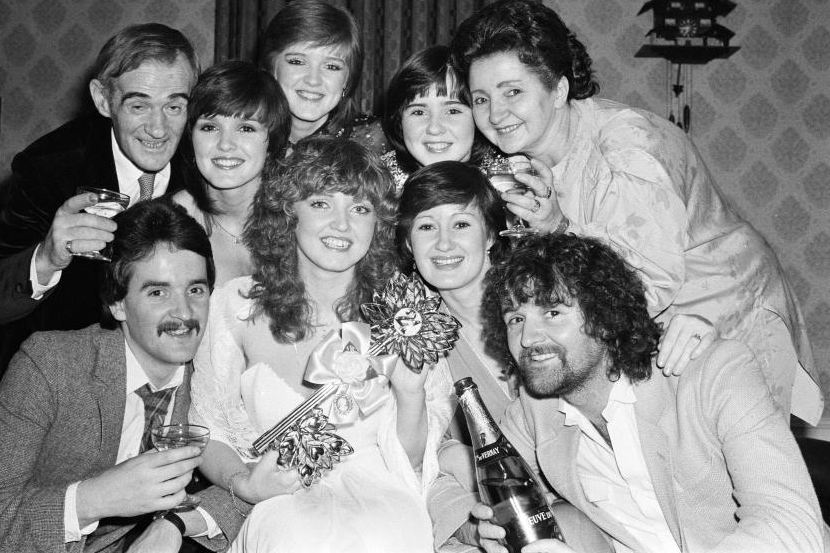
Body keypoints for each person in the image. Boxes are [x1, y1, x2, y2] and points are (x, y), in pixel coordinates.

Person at [450, 0, 822, 424]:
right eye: (480, 99)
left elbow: (643, 279)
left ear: (559, 90)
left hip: (721, 317)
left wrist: (556, 226)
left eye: (512, 91)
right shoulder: (530, 163)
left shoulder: (630, 143)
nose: (496, 114)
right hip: (655, 334)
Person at [397, 161, 715, 551]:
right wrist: (467, 518)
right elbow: (425, 469)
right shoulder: (414, 339)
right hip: (538, 520)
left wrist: (694, 330)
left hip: (632, 495)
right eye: (427, 227)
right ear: (409, 244)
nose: (444, 244)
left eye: (461, 224)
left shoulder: (551, 288)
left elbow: (632, 341)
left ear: (492, 234)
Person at [0, 199, 247, 553]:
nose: (184, 312)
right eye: (157, 292)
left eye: (195, 290)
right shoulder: (51, 365)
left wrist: (177, 523)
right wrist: (95, 499)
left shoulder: (215, 376)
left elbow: (255, 485)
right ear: (117, 303)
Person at [469, 233, 828, 552]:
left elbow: (789, 521)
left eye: (552, 312)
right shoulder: (533, 413)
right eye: (515, 319)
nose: (528, 338)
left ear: (604, 316)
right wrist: (480, 532)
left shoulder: (712, 371)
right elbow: (464, 492)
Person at [190, 137, 452, 552]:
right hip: (281, 511)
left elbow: (416, 461)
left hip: (387, 510)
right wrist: (246, 484)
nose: (343, 225)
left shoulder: (405, 316)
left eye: (360, 209)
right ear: (288, 211)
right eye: (321, 203)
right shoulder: (234, 308)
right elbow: (206, 430)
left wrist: (409, 393)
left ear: (378, 224)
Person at [0, 23, 199, 336]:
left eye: (174, 106)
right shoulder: (50, 168)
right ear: (103, 100)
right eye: (139, 106)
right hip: (77, 370)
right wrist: (47, 256)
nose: (158, 128)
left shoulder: (204, 167)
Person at [172, 60, 291, 286]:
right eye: (209, 127)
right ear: (191, 137)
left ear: (272, 142)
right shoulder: (168, 224)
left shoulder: (299, 219)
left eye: (246, 128)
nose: (225, 144)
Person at [257, 0, 386, 155]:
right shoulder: (243, 140)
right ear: (272, 67)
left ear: (348, 78)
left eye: (331, 66)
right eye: (297, 61)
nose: (313, 80)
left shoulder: (376, 143)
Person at [382, 45, 502, 190]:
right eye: (419, 112)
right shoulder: (373, 186)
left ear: (477, 118)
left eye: (452, 111)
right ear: (399, 121)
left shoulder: (511, 183)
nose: (434, 128)